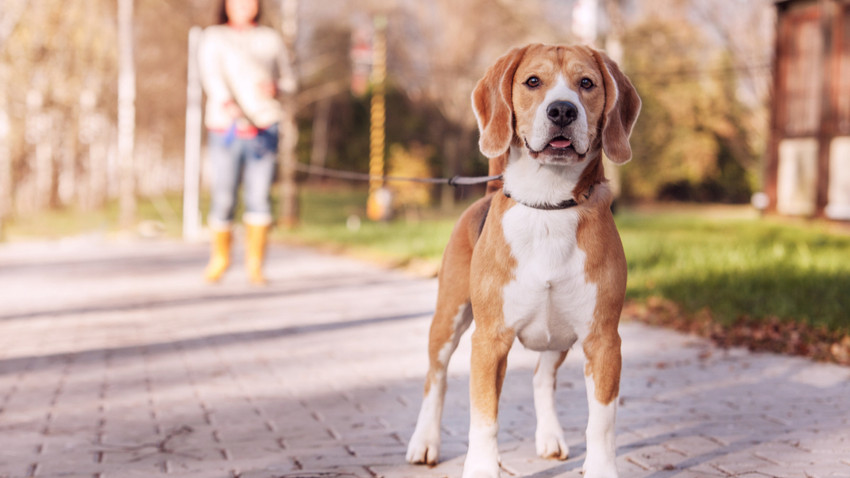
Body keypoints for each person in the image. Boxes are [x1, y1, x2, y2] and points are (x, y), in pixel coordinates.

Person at [198, 0, 295, 285]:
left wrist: (276, 87)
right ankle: (220, 259)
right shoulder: (213, 36)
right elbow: (211, 77)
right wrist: (230, 107)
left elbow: (290, 80)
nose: (243, 5)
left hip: (264, 127)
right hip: (225, 128)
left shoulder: (270, 39)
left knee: (259, 195)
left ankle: (255, 265)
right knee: (224, 195)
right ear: (225, 4)